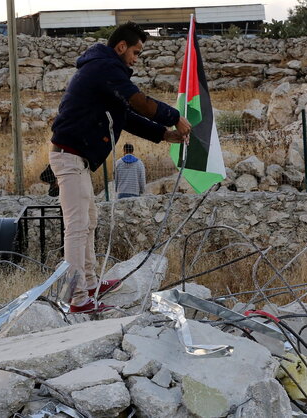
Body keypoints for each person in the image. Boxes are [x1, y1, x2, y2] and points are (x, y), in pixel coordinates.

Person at [49, 22, 191, 313]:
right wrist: (173, 116)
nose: (136, 59)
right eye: (136, 52)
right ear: (121, 46)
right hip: (69, 156)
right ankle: (77, 299)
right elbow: (138, 102)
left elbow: (125, 116)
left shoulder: (104, 70)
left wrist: (163, 134)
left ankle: (88, 285)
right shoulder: (104, 68)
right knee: (77, 228)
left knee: (88, 223)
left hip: (78, 159)